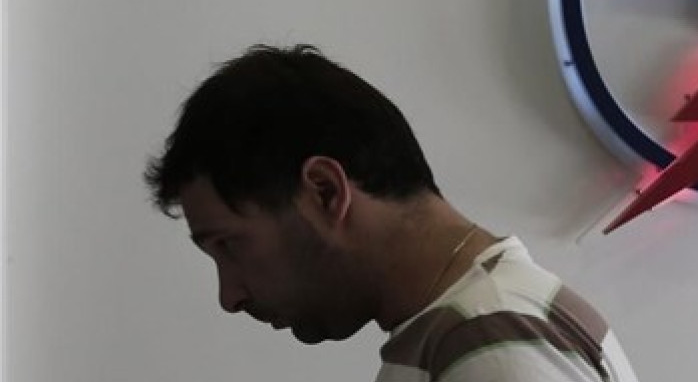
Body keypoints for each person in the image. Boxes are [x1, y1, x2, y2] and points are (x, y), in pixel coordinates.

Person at [145, 44, 640, 382]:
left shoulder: (491, 342)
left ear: (324, 192)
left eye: (229, 245)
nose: (229, 296)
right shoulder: (476, 327)